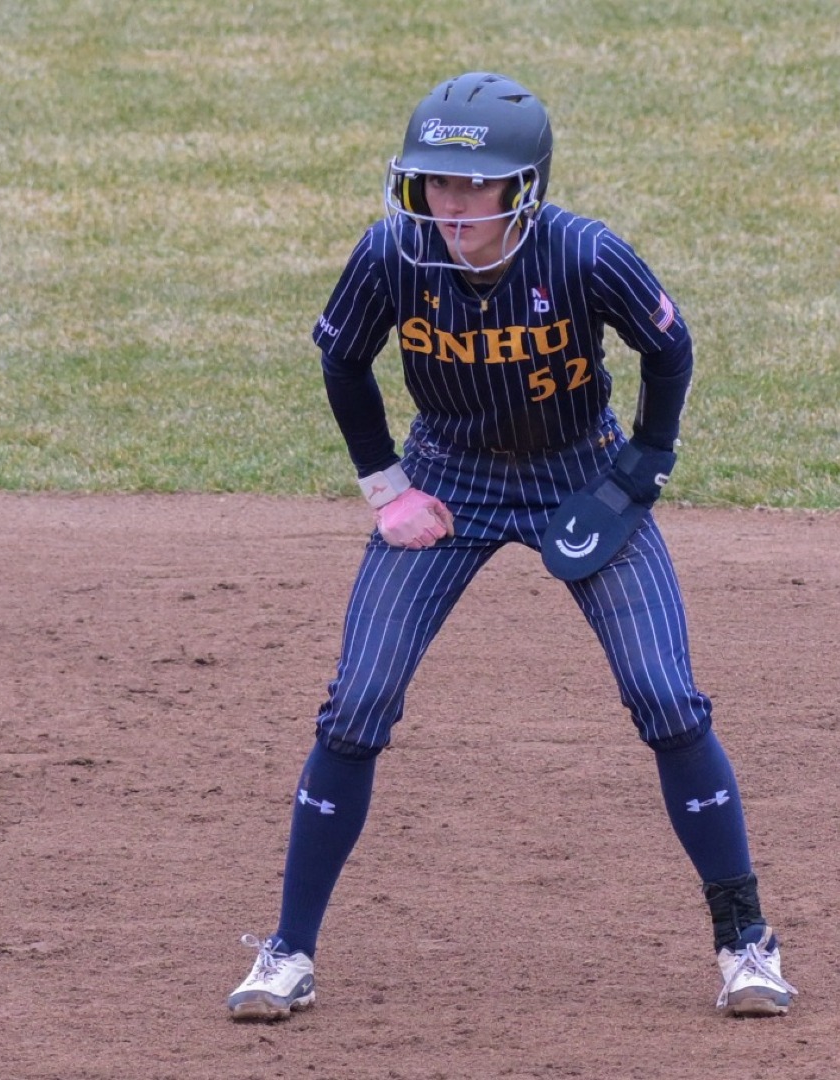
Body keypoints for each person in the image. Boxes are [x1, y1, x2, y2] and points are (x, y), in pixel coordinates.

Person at [225, 71, 795, 1021]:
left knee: (666, 697)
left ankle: (746, 943)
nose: (450, 206)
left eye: (472, 185)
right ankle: (287, 954)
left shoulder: (584, 256)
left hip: (581, 471)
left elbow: (670, 347)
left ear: (521, 188)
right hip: (448, 473)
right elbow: (341, 358)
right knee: (358, 702)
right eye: (435, 184)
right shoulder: (394, 254)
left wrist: (644, 463)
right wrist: (387, 488)